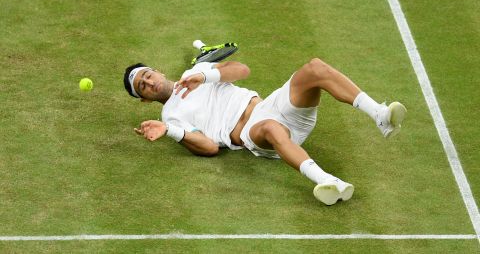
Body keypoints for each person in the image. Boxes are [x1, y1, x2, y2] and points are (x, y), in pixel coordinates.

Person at [123, 58, 406, 205]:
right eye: (142, 88)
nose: (149, 83)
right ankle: (328, 181)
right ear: (145, 99)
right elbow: (208, 147)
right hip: (254, 134)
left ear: (157, 71)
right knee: (270, 126)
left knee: (315, 68)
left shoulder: (198, 71)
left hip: (273, 106)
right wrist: (170, 130)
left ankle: (380, 115)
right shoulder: (170, 115)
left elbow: (241, 70)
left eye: (147, 75)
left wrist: (205, 75)